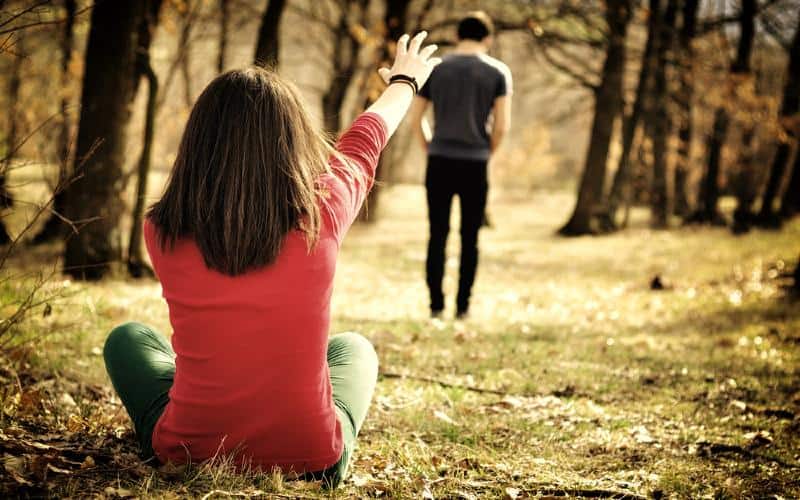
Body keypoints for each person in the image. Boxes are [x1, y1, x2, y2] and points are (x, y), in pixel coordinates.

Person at [102, 32, 440, 488]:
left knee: (128, 339)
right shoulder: (323, 212)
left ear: (198, 143)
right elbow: (365, 141)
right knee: (353, 349)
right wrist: (404, 80)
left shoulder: (161, 230)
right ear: (294, 140)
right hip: (313, 459)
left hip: (189, 451)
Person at [408, 11, 512, 319]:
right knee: (470, 237)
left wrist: (429, 146)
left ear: (457, 36)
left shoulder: (436, 68)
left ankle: (436, 306)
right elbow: (502, 126)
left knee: (437, 234)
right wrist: (486, 152)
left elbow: (416, 119)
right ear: (488, 39)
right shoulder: (498, 72)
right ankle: (463, 306)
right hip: (475, 164)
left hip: (439, 160)